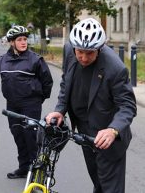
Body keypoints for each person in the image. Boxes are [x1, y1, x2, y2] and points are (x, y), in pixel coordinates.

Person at [45, 18, 136, 193]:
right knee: (98, 182)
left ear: (100, 49)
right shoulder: (69, 51)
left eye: (90, 53)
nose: (84, 58)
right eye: (80, 52)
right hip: (85, 133)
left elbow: (128, 105)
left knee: (110, 189)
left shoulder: (115, 68)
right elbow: (66, 82)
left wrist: (113, 130)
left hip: (108, 138)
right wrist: (60, 110)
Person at [0, 25, 53, 179]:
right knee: (18, 136)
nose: (23, 42)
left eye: (25, 39)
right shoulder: (2, 60)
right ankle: (24, 168)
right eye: (19, 40)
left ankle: (37, 171)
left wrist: (38, 99)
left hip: (30, 105)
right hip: (12, 105)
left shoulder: (35, 59)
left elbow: (47, 82)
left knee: (31, 138)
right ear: (11, 42)